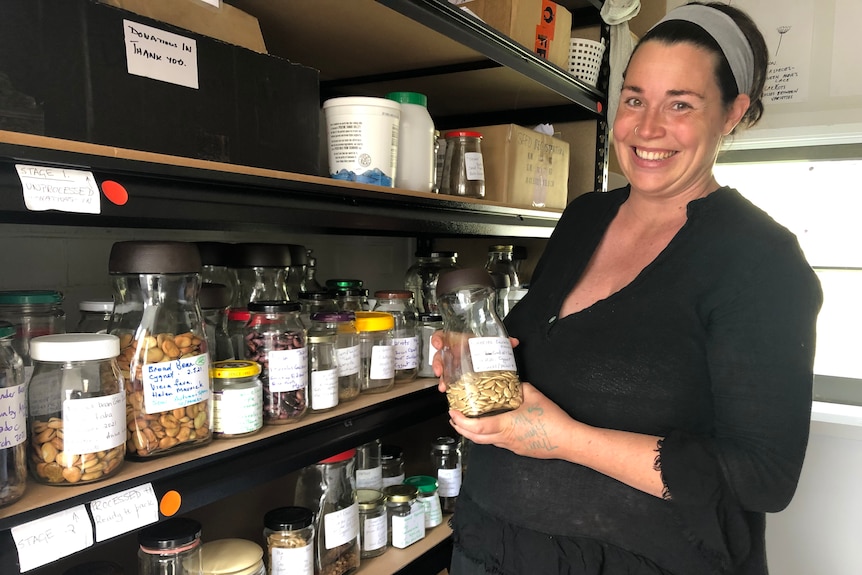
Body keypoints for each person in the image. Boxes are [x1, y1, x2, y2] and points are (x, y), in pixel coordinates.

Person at [434, 3, 824, 574]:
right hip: (495, 546)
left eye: (681, 104)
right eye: (635, 99)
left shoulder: (760, 261)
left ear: (733, 113)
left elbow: (763, 478)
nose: (647, 128)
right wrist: (477, 363)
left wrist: (564, 439)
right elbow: (554, 361)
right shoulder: (584, 218)